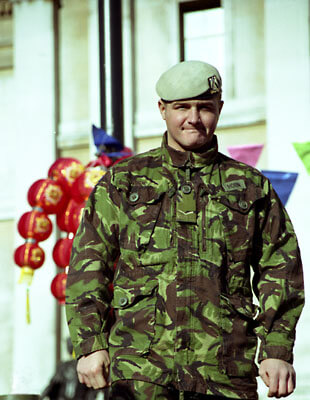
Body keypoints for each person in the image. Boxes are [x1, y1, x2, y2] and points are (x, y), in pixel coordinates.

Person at [65, 60, 304, 400]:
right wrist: (90, 343)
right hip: (140, 376)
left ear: (219, 108)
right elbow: (88, 266)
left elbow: (280, 269)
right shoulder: (123, 181)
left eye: (204, 107)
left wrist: (277, 349)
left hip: (224, 373)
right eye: (182, 107)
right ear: (162, 109)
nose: (193, 118)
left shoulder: (250, 187)